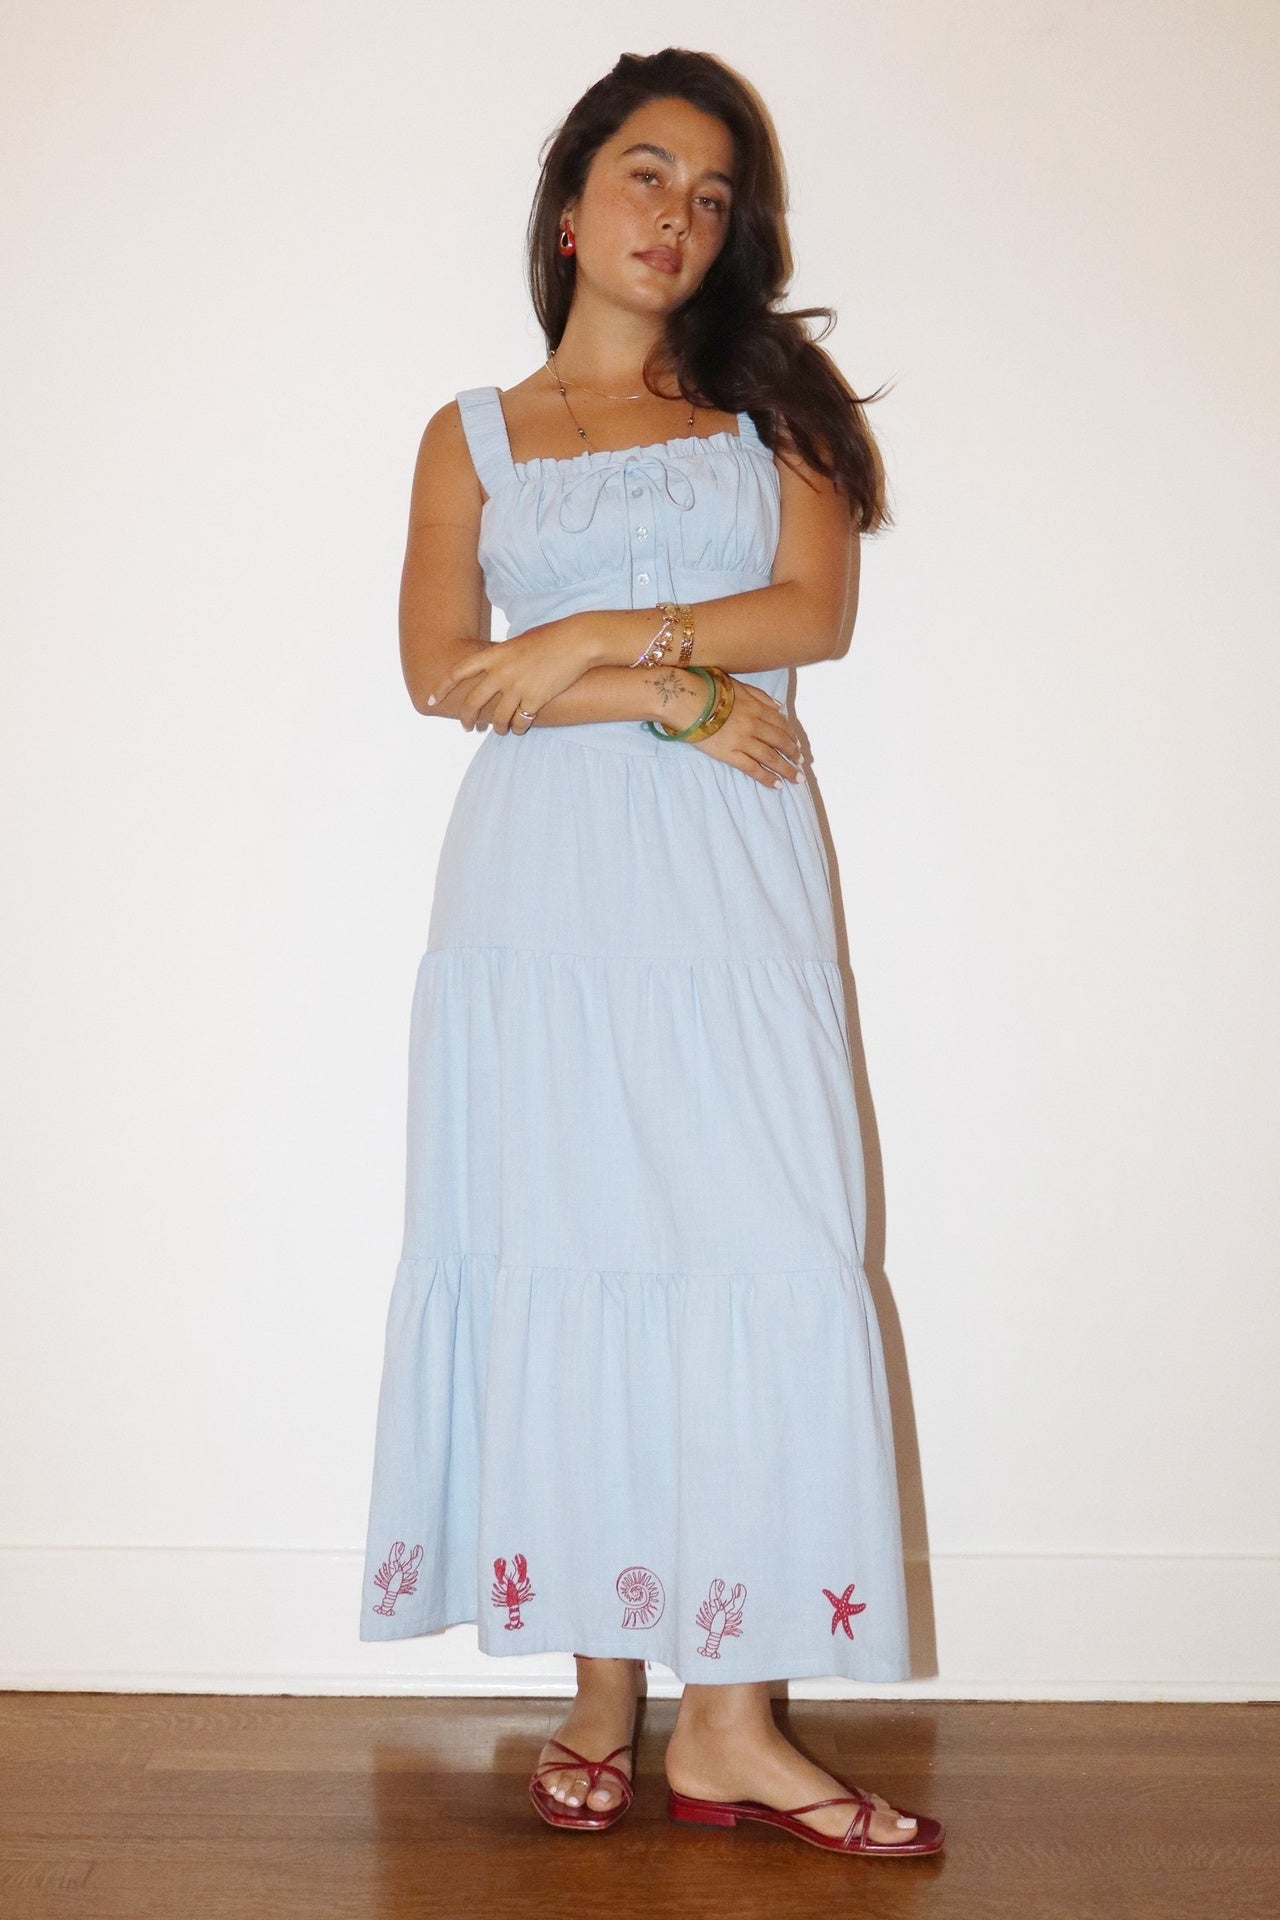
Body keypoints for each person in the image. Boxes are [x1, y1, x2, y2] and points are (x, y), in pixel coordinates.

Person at [358, 47, 944, 1861]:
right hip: (536, 900)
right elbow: (446, 671)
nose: (677, 214)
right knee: (568, 1237)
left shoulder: (779, 410)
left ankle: (736, 1722)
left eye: (711, 194)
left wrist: (600, 635)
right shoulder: (470, 435)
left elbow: (811, 615)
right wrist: (669, 693)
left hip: (726, 890)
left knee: (765, 1244)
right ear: (569, 205)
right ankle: (602, 1692)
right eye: (646, 174)